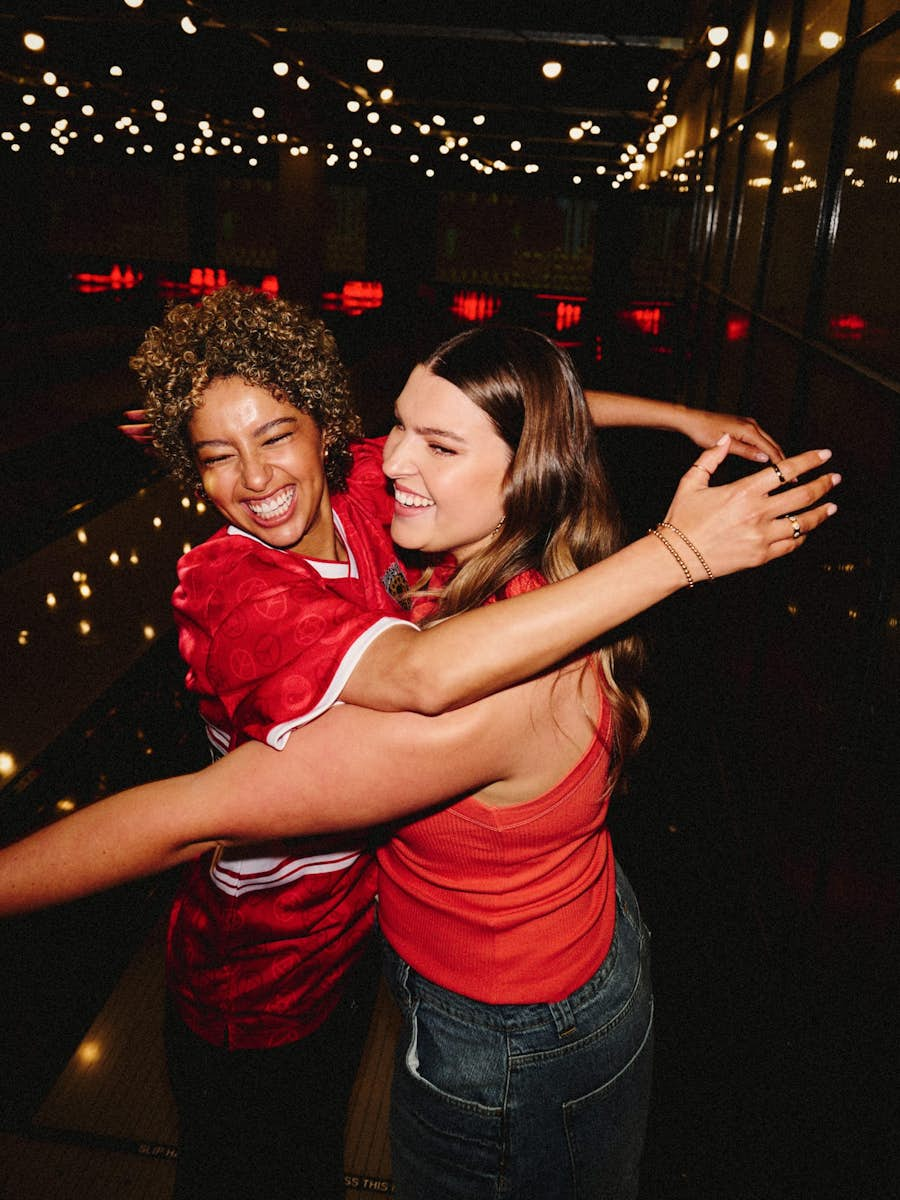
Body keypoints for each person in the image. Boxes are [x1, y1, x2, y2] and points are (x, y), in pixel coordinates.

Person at [1, 309, 838, 1198]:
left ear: (322, 429)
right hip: (268, 971)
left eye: (278, 435)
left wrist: (681, 495)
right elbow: (485, 476)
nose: (397, 457)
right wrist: (679, 492)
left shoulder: (386, 518)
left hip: (478, 1007)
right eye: (216, 456)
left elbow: (508, 435)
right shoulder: (258, 573)